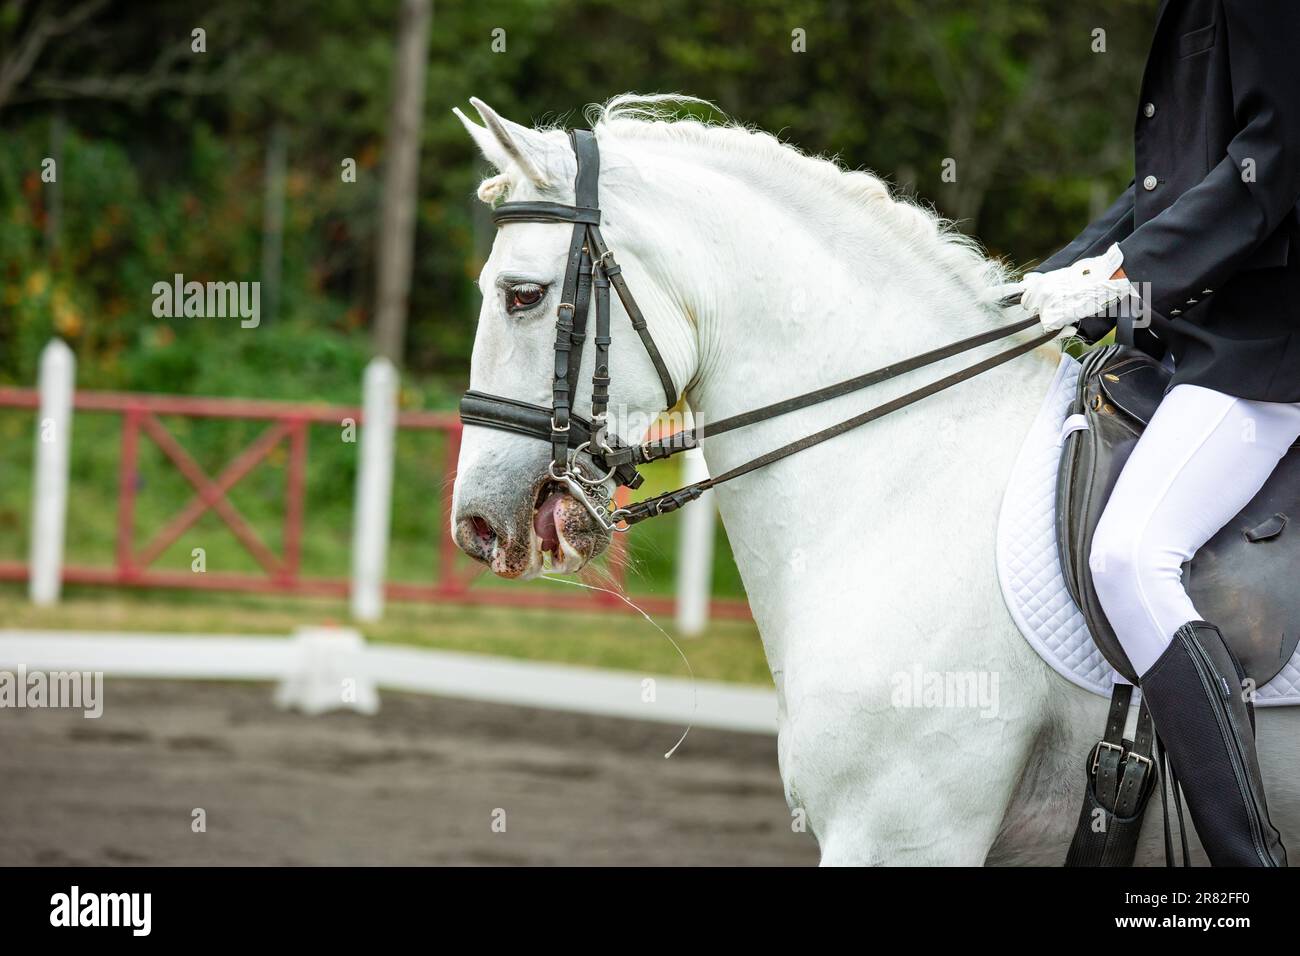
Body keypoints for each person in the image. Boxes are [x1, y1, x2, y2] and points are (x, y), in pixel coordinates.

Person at [1009, 0, 1300, 866]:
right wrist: (1060, 274)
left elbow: (1272, 162)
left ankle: (1250, 863)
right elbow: (1170, 188)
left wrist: (1134, 274)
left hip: (1264, 351)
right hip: (1203, 341)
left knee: (1129, 555)